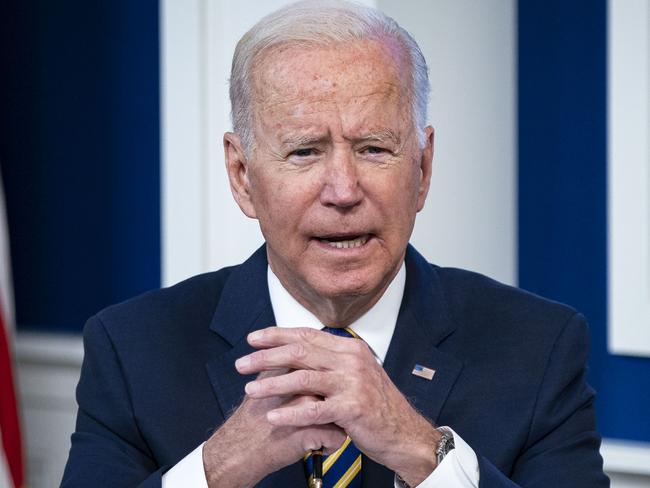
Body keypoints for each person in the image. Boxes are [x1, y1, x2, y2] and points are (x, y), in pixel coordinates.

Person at [61, 1, 609, 487]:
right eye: (304, 152)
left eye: (374, 148)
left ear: (422, 167)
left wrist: (424, 454)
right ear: (242, 174)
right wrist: (216, 470)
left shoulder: (540, 347)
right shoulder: (133, 348)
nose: (344, 191)